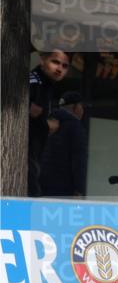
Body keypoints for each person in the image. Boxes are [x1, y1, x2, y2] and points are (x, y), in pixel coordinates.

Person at [29, 50, 70, 196]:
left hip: (35, 153)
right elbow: (31, 112)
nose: (60, 69)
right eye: (55, 62)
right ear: (42, 60)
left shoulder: (47, 84)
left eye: (65, 66)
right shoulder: (35, 81)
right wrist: (48, 125)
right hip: (26, 154)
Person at [38, 91, 88, 197]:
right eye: (81, 106)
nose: (83, 110)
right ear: (75, 107)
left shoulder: (48, 123)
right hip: (64, 186)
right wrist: (79, 189)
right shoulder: (76, 127)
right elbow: (79, 161)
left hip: (42, 182)